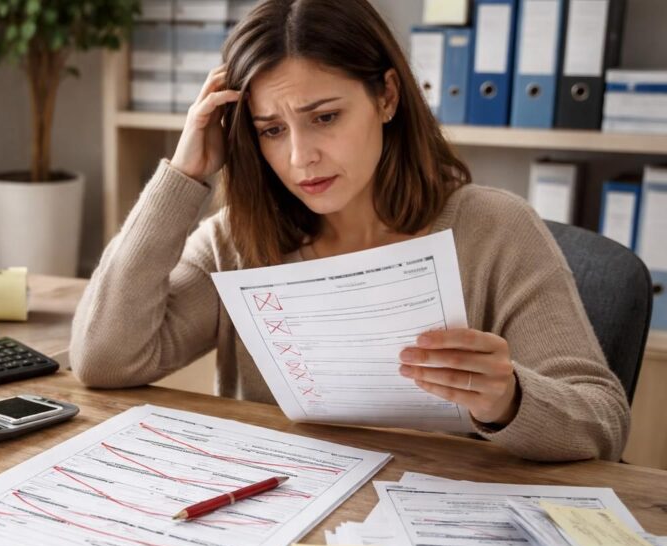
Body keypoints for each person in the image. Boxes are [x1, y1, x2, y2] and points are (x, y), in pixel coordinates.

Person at [70, 0, 629, 462]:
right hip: (285, 517)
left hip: (448, 518)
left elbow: (602, 421)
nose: (299, 157)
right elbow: (104, 358)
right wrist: (183, 175)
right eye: (270, 130)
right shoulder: (238, 240)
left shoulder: (494, 229)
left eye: (325, 117)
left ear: (386, 97)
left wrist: (508, 399)